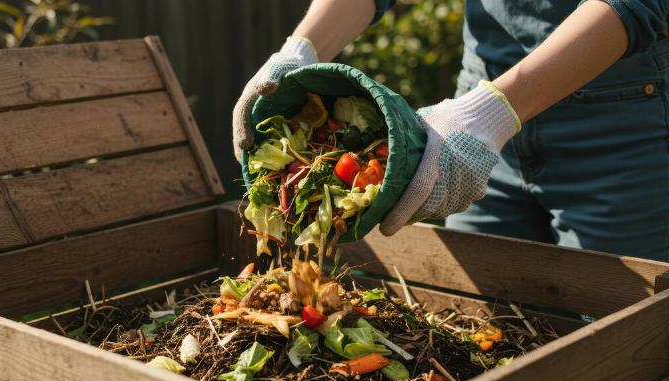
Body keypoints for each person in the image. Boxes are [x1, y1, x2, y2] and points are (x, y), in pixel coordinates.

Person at [232, 0, 669, 262]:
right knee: (481, 332)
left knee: (619, 353)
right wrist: (300, 48)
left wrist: (491, 114)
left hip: (618, 128)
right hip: (477, 113)